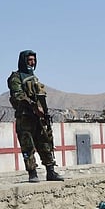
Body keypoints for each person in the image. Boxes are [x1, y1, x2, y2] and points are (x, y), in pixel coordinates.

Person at [8, 50, 64, 182]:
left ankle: (51, 171)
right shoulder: (16, 77)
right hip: (25, 117)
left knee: (45, 143)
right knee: (28, 145)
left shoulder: (34, 78)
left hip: (38, 118)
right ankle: (32, 173)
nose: (32, 63)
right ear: (23, 61)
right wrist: (33, 106)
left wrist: (43, 112)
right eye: (29, 60)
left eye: (33, 60)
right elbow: (18, 95)